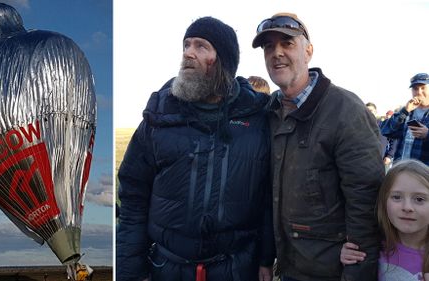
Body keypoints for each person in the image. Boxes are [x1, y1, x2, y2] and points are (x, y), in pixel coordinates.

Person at [117, 16, 275, 281]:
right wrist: (130, 272)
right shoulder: (159, 117)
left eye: (201, 46)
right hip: (166, 269)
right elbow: (133, 199)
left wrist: (265, 258)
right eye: (186, 45)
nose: (188, 53)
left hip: (236, 270)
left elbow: (267, 198)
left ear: (223, 61)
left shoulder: (256, 119)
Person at [252, 12, 385, 281]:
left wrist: (356, 275)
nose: (276, 53)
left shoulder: (346, 111)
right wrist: (266, 258)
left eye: (287, 43)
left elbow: (366, 205)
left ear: (308, 51)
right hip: (290, 268)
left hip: (331, 273)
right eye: (269, 46)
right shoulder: (270, 112)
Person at [340, 159, 429, 281]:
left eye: (419, 199)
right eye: (396, 197)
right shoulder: (372, 245)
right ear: (384, 201)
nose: (407, 207)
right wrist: (348, 258)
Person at [381, 73, 429, 165]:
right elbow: (386, 131)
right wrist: (405, 111)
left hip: (424, 175)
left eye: (423, 88)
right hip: (402, 170)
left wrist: (427, 135)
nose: (419, 92)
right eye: (415, 88)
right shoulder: (407, 110)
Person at [366, 102, 397, 169]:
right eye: (366, 110)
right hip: (363, 162)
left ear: (375, 111)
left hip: (380, 162)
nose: (368, 112)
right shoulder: (360, 126)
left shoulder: (384, 125)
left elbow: (394, 140)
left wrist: (389, 156)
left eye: (371, 110)